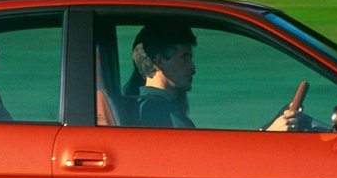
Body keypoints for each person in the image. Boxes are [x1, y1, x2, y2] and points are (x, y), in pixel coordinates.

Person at [124, 23, 296, 130]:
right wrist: (268, 137)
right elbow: (206, 163)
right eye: (184, 57)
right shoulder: (160, 113)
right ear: (160, 61)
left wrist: (266, 132)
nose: (193, 67)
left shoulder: (150, 108)